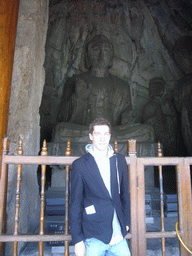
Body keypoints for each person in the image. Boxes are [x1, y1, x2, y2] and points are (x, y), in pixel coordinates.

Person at [52, 34, 154, 143]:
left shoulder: (122, 85)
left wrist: (127, 119)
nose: (101, 55)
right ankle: (100, 139)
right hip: (86, 131)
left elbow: (127, 120)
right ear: (87, 56)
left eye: (106, 51)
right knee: (60, 130)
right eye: (96, 50)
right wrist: (78, 98)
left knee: (147, 131)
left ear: (111, 56)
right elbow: (62, 118)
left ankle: (105, 139)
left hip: (113, 132)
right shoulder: (75, 81)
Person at [69, 117, 131, 256]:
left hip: (118, 236)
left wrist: (126, 223)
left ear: (110, 136)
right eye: (97, 134)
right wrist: (77, 240)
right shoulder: (80, 165)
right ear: (90, 136)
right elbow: (75, 204)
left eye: (105, 134)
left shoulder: (119, 160)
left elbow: (125, 194)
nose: (102, 139)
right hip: (94, 236)